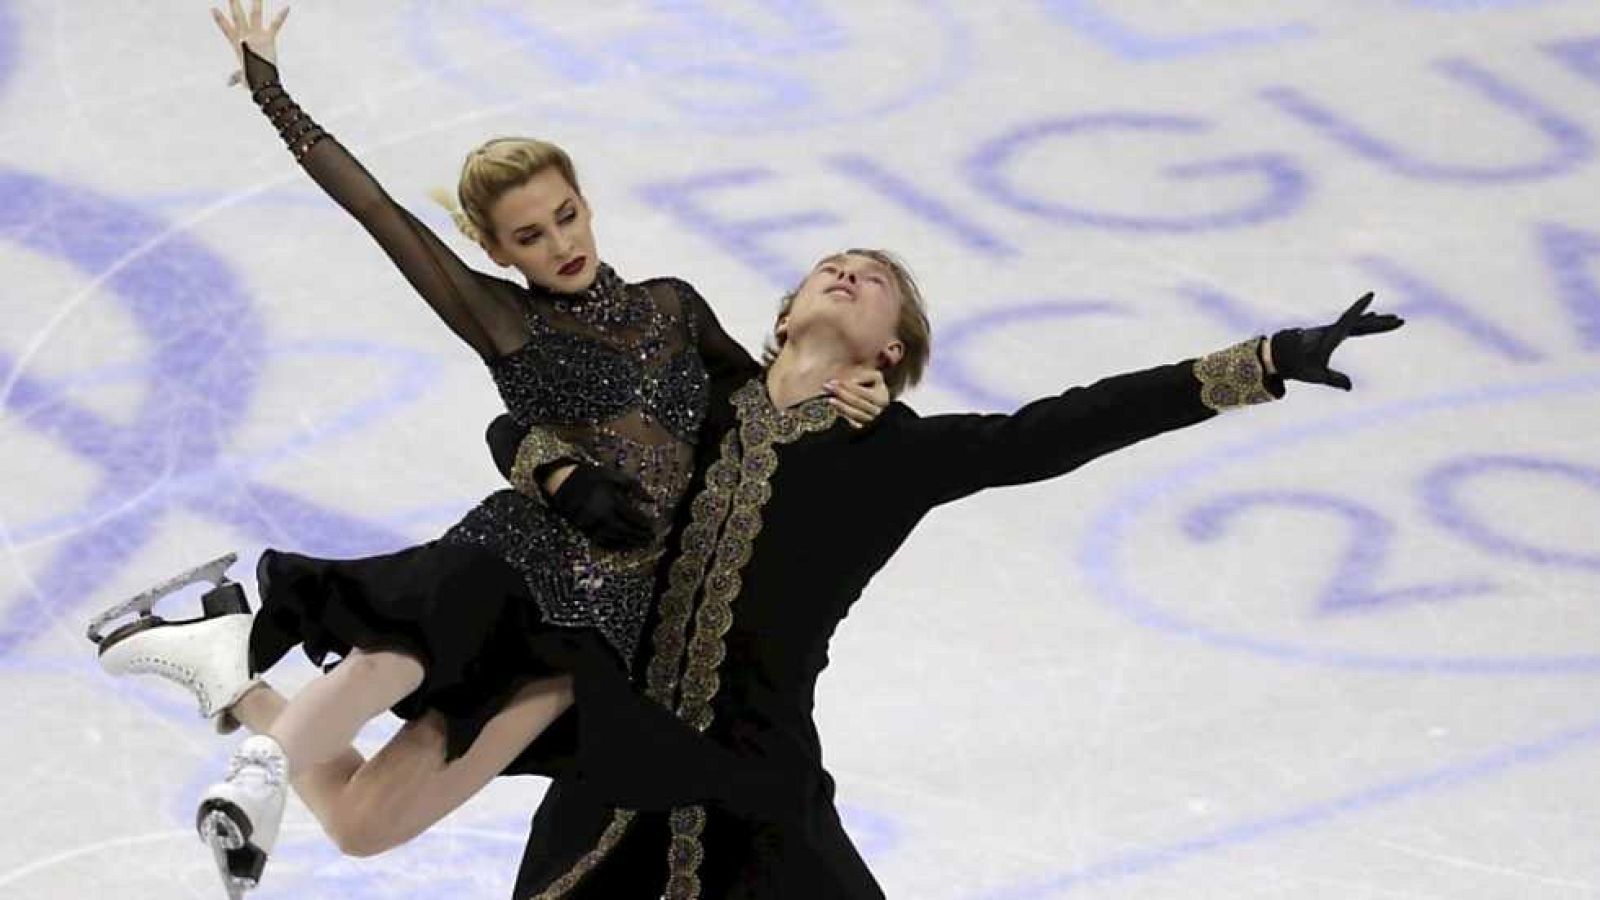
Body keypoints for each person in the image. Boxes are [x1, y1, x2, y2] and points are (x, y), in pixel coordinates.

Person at [84, 2, 887, 895]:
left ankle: (227, 664)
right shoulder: (508, 322)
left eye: (566, 215)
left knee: (361, 826)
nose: (561, 244)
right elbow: (376, 211)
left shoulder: (674, 307)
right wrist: (273, 92)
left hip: (603, 635)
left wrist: (853, 389)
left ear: (586, 202)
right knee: (409, 639)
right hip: (515, 562)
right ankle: (256, 774)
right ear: (494, 249)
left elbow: (752, 409)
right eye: (530, 236)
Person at [476, 249, 1404, 897]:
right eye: (832, 267)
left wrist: (1267, 360)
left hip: (757, 784)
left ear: (891, 352)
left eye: (876, 282)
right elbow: (517, 415)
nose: (849, 272)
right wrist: (552, 472)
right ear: (785, 314)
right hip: (612, 773)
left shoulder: (894, 456)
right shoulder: (691, 401)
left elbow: (1065, 426)